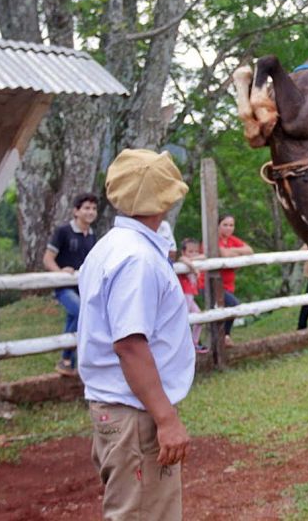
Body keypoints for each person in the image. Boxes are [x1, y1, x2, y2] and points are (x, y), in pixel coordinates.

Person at [77, 149, 194, 520]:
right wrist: (165, 418)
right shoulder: (137, 259)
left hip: (121, 409)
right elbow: (129, 344)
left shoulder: (110, 248)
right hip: (135, 414)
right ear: (166, 198)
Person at [42, 192, 98, 377]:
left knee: (74, 319)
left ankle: (67, 362)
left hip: (83, 287)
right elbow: (48, 259)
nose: (90, 212)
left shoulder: (92, 235)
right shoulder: (63, 232)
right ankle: (67, 359)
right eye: (86, 208)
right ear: (76, 211)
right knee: (81, 311)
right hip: (64, 287)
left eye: (93, 208)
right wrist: (60, 273)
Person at [199, 214, 253, 346]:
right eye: (225, 225)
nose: (229, 228)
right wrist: (236, 254)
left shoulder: (232, 240)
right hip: (208, 283)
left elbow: (250, 251)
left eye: (231, 225)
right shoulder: (211, 240)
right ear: (217, 226)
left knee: (223, 311)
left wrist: (232, 251)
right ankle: (224, 337)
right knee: (233, 305)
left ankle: (219, 340)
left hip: (227, 285)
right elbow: (224, 254)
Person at [177, 238, 208, 353]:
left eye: (196, 251)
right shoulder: (182, 261)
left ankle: (194, 343)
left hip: (190, 295)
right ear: (183, 252)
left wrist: (193, 259)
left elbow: (204, 256)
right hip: (184, 295)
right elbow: (183, 259)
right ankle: (183, 345)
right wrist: (194, 268)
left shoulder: (193, 259)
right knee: (184, 320)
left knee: (199, 317)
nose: (194, 254)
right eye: (190, 251)